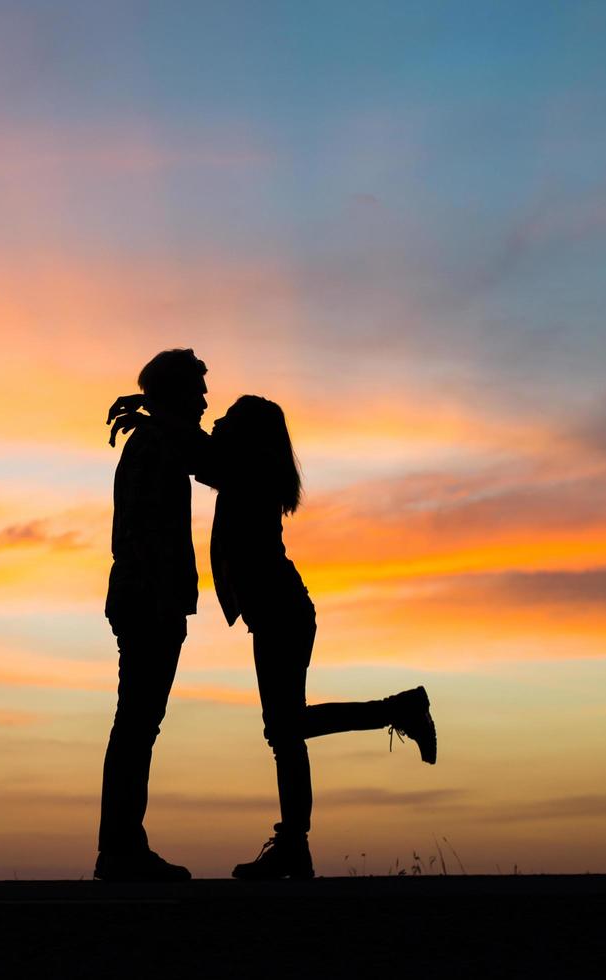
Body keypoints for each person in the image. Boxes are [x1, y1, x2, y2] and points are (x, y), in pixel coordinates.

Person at [108, 393, 437, 880]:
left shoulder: (247, 470)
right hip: (278, 613)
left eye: (230, 419)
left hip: (283, 612)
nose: (217, 420)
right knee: (285, 732)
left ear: (249, 435)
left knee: (284, 730)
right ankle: (294, 846)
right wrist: (159, 411)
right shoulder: (244, 467)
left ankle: (397, 711)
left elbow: (198, 453)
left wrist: (158, 409)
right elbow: (198, 452)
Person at [94, 349, 210, 882]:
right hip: (149, 602)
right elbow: (219, 464)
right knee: (137, 725)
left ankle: (122, 846)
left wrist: (154, 409)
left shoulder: (157, 438)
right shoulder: (158, 442)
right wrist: (157, 411)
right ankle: (120, 851)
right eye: (198, 388)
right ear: (179, 393)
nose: (206, 398)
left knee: (138, 725)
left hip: (146, 600)